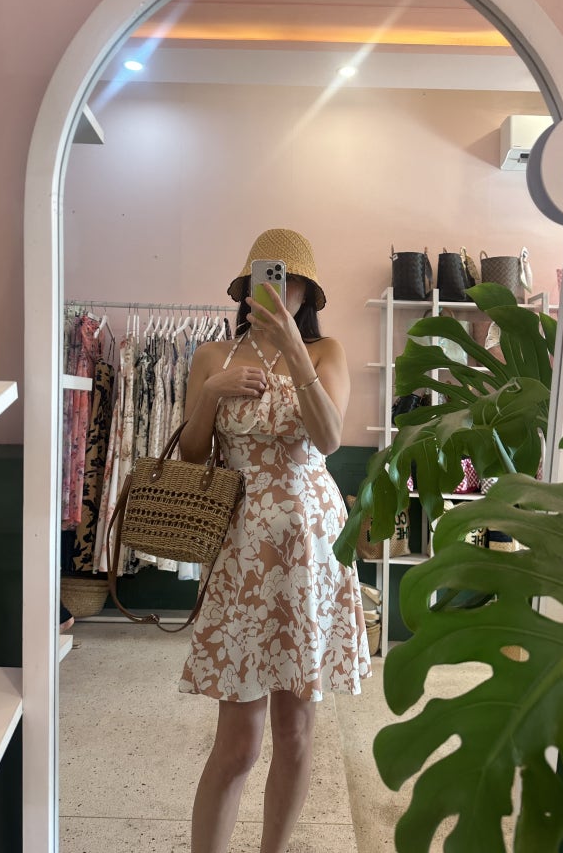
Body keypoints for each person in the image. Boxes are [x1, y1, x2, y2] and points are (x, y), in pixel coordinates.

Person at [178, 228, 371, 853]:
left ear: (307, 293)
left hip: (312, 548)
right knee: (237, 743)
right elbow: (192, 453)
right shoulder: (213, 356)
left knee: (295, 731)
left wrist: (293, 351)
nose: (278, 291)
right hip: (243, 549)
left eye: (291, 282)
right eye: (268, 279)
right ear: (246, 288)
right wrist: (211, 394)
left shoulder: (326, 351)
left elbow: (330, 438)